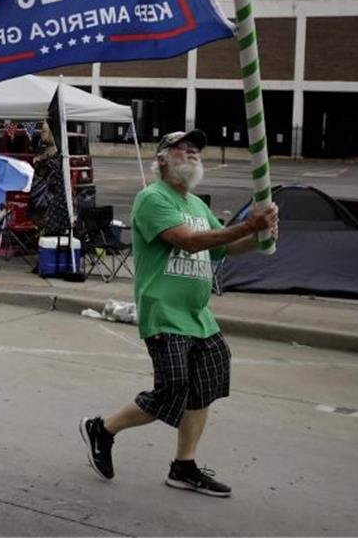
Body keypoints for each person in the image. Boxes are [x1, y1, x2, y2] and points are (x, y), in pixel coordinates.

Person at [79, 129, 279, 498]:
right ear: (162, 160)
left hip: (199, 316)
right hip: (165, 312)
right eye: (182, 149)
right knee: (172, 390)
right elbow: (188, 242)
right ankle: (102, 429)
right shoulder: (152, 198)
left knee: (203, 388)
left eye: (196, 150)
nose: (192, 154)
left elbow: (223, 249)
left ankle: (183, 467)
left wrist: (259, 236)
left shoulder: (197, 205)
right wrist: (248, 224)